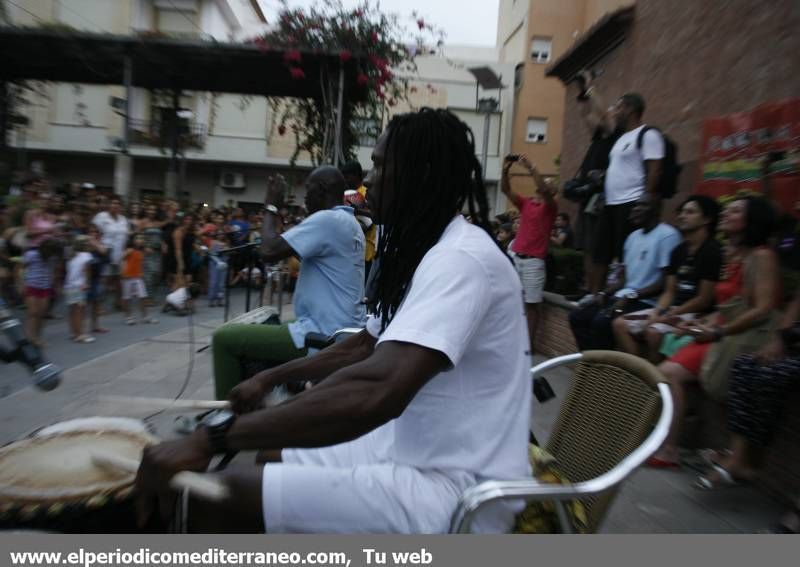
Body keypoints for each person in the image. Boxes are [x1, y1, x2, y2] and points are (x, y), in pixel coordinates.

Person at [134, 109, 531, 534]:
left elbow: (379, 389)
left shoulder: (461, 260)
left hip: (457, 490)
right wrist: (271, 380)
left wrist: (212, 438)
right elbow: (365, 345)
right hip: (410, 448)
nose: (368, 180)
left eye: (380, 165)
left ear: (422, 173)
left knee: (215, 495)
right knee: (273, 451)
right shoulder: (427, 250)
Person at [211, 167, 366, 401]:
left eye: (308, 191)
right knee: (268, 325)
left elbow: (268, 251)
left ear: (322, 190)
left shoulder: (328, 220)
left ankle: (225, 422)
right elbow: (284, 245)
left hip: (322, 330)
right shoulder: (348, 222)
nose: (304, 198)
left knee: (224, 339)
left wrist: (271, 206)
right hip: (338, 324)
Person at [648, 196, 780, 468]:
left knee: (668, 373)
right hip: (720, 331)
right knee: (664, 363)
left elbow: (762, 309)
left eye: (735, 211)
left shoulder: (762, 256)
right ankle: (671, 439)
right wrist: (700, 324)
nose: (726, 214)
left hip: (742, 337)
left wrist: (718, 332)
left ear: (751, 221)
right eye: (727, 209)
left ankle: (669, 449)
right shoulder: (731, 255)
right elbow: (726, 306)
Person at [613, 195, 722, 361]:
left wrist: (667, 315)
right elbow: (670, 291)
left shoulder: (712, 251)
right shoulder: (678, 251)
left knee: (653, 332)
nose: (682, 216)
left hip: (696, 313)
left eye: (690, 212)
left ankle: (656, 381)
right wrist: (657, 313)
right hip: (672, 309)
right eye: (682, 212)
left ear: (707, 219)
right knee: (619, 324)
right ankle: (640, 372)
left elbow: (703, 299)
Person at [569, 193, 681, 351]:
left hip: (646, 301)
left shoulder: (667, 235)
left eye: (641, 206)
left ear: (656, 209)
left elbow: (664, 283)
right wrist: (603, 294)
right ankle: (591, 363)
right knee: (577, 316)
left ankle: (608, 369)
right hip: (624, 296)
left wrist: (631, 296)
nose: (634, 210)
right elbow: (625, 279)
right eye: (634, 206)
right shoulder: (632, 237)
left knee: (601, 322)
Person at [593, 91, 665, 292]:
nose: (614, 112)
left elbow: (655, 169)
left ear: (630, 109)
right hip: (610, 203)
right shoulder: (621, 138)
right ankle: (596, 295)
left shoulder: (649, 134)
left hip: (631, 202)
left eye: (618, 107)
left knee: (625, 252)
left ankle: (624, 293)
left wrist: (646, 200)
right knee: (601, 251)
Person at [501, 153, 557, 354]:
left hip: (534, 262)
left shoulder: (551, 208)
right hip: (517, 257)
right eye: (545, 182)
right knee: (512, 300)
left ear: (553, 191)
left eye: (550, 184)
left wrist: (531, 166)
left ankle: (528, 346)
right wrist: (506, 169)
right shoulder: (527, 204)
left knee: (532, 305)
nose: (545, 185)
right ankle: (512, 339)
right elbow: (505, 189)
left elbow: (543, 188)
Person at [341, 161, 378, 282]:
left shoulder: (365, 192)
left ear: (356, 175)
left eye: (347, 177)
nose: (345, 180)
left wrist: (358, 212)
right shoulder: (348, 194)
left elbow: (369, 221)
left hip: (366, 252)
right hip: (353, 252)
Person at [23, 237, 63, 347]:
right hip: (32, 285)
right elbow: (20, 267)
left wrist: (57, 286)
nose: (51, 255)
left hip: (45, 287)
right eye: (50, 252)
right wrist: (21, 283)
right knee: (33, 313)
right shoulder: (32, 254)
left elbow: (55, 271)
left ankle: (37, 336)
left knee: (41, 314)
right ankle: (29, 337)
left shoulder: (54, 257)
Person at [92, 197, 129, 310]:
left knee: (119, 279)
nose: (115, 205)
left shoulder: (123, 219)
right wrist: (99, 246)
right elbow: (93, 232)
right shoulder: (101, 216)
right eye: (113, 203)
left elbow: (126, 235)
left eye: (118, 204)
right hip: (105, 252)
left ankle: (118, 302)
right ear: (109, 205)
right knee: (105, 280)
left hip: (120, 253)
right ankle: (99, 305)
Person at [64, 235, 95, 344]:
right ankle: (80, 335)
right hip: (79, 285)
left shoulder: (71, 256)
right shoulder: (87, 255)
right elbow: (87, 270)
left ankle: (74, 333)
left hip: (69, 286)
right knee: (79, 311)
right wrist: (87, 282)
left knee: (72, 311)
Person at [121, 234, 157, 325]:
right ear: (133, 240)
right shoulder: (129, 250)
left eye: (141, 238)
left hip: (138, 277)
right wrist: (122, 273)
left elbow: (151, 251)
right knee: (127, 298)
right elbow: (121, 260)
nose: (139, 240)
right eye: (137, 238)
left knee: (143, 297)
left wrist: (145, 245)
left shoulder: (142, 250)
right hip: (127, 277)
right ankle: (128, 317)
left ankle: (145, 317)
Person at [85, 224, 109, 334]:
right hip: (85, 279)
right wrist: (93, 243)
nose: (93, 234)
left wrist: (96, 243)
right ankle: (80, 330)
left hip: (97, 277)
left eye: (96, 232)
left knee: (96, 303)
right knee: (84, 304)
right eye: (91, 232)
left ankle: (95, 326)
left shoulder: (100, 244)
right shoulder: (84, 244)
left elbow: (104, 252)